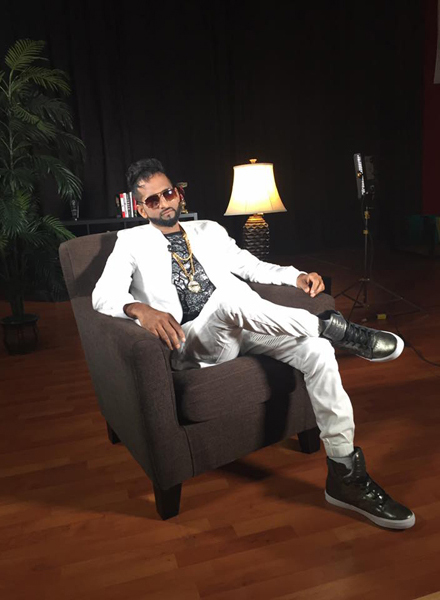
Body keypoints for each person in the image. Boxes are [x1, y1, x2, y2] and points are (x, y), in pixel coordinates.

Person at [92, 158, 415, 530]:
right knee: (228, 299)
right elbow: (103, 296)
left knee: (319, 352)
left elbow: (251, 266)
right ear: (140, 208)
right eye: (153, 200)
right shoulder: (130, 242)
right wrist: (139, 309)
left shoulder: (208, 230)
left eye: (169, 193)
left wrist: (296, 276)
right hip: (196, 341)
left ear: (178, 193)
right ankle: (336, 330)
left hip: (245, 326)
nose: (165, 203)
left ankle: (345, 476)